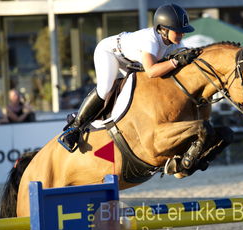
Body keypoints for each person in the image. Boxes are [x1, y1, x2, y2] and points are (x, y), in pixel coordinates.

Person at [60, 3, 199, 152]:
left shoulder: (174, 43)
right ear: (163, 29)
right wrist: (175, 62)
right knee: (106, 88)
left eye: (183, 31)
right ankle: (75, 127)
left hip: (132, 62)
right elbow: (152, 71)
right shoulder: (150, 40)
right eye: (178, 31)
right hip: (110, 52)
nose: (182, 34)